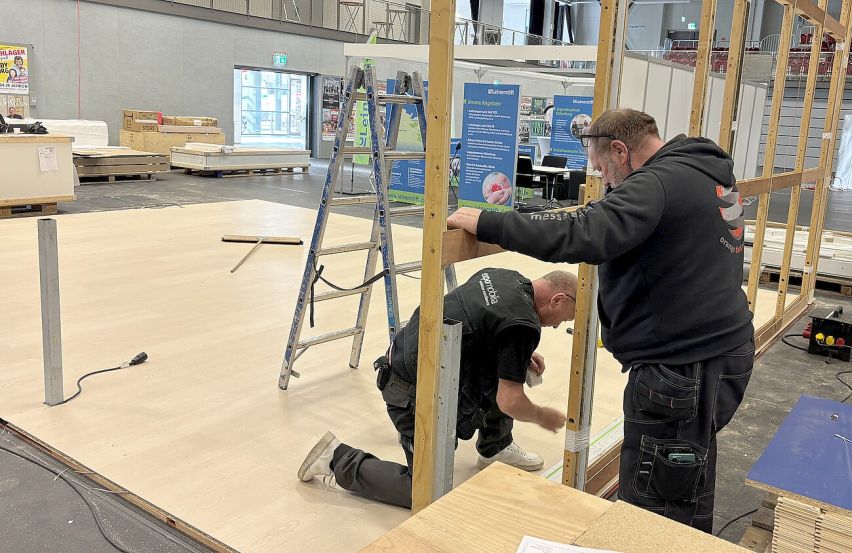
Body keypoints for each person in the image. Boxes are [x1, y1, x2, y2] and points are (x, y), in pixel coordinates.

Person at [446, 108, 754, 533]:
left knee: (654, 500)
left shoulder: (657, 183)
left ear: (621, 151)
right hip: (719, 352)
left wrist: (488, 222)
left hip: (684, 366)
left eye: (603, 168)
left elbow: (582, 233)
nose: (604, 181)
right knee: (686, 470)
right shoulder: (703, 172)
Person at [298, 268, 578, 509]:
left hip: (414, 363)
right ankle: (335, 458)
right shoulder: (523, 324)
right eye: (566, 318)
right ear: (558, 299)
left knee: (504, 372)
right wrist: (542, 416)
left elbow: (480, 325)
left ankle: (496, 446)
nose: (557, 326)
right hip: (412, 396)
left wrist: (515, 357)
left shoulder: (504, 277)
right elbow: (510, 401)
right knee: (423, 491)